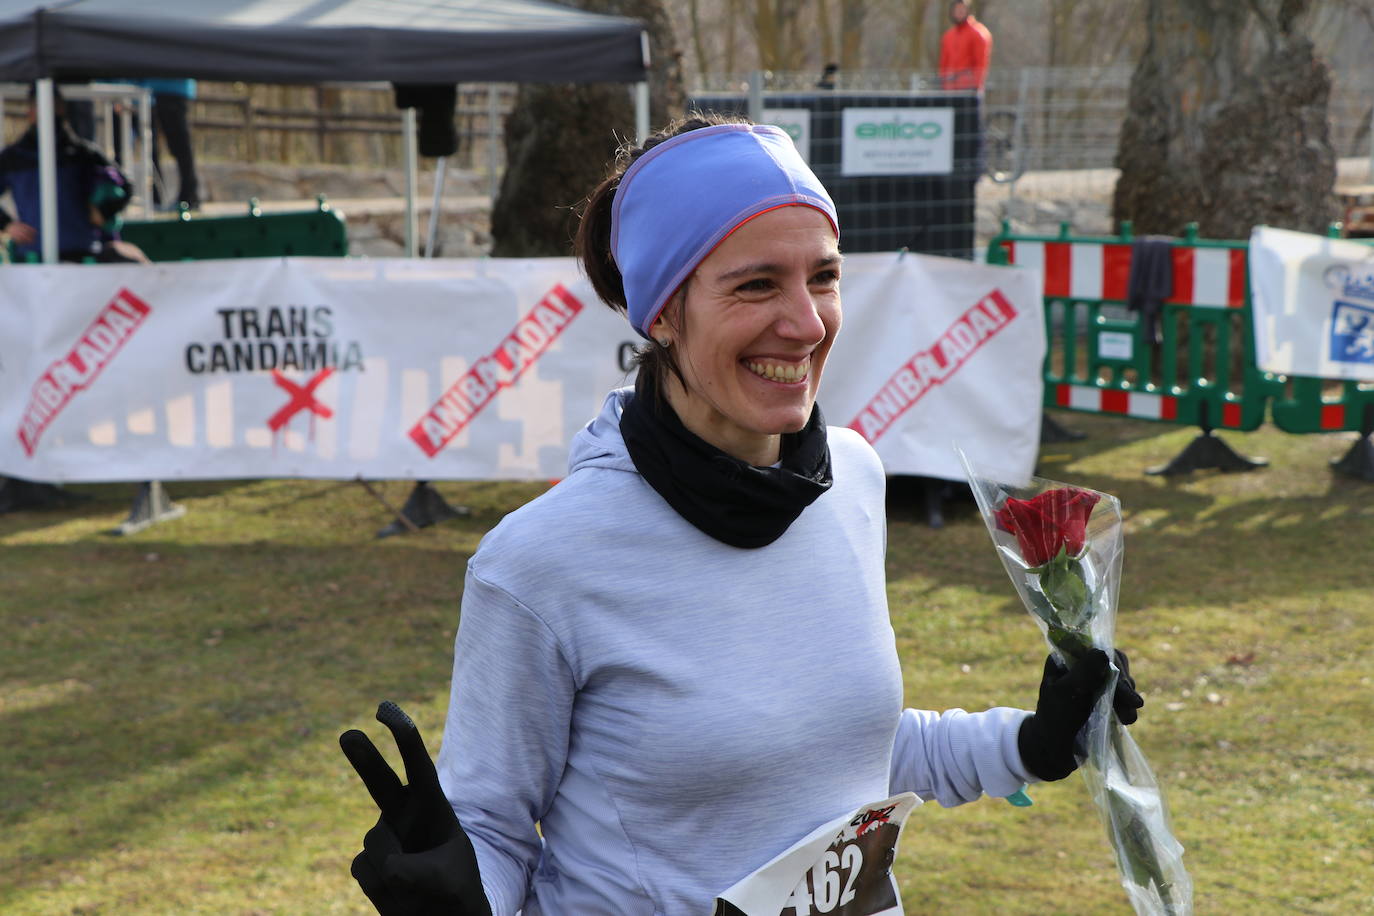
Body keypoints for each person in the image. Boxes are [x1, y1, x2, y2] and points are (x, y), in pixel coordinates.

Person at [339, 115, 1145, 915]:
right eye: (757, 284)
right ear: (661, 313)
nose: (806, 322)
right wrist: (457, 899)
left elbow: (847, 750)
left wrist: (1032, 742)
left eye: (823, 277)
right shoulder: (541, 562)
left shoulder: (853, 480)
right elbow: (492, 826)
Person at [0, 86, 145, 264]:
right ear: (30, 111)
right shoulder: (14, 157)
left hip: (83, 253)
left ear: (62, 109)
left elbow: (125, 185)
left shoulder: (82, 153)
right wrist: (7, 224)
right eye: (40, 106)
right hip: (33, 256)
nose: (48, 112)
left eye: (54, 106)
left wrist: (104, 211)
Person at [938, 1, 993, 91]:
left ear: (968, 11)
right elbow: (944, 62)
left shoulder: (978, 33)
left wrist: (977, 85)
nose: (959, 13)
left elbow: (981, 62)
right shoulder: (948, 36)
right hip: (949, 86)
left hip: (969, 87)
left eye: (962, 9)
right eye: (957, 10)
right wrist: (943, 81)